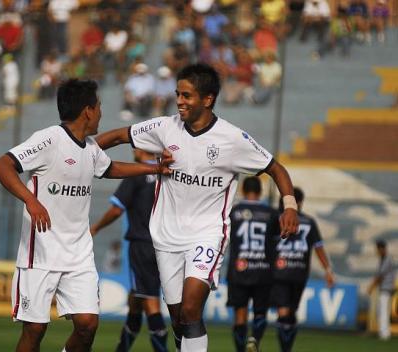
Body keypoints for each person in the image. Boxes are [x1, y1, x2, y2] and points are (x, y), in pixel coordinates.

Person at [95, 63, 299, 352]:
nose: (179, 101)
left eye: (187, 96)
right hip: (165, 238)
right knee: (179, 319)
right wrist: (79, 151)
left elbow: (276, 169)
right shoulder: (165, 127)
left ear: (208, 99)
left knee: (191, 310)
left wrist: (289, 206)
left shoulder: (232, 139)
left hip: (206, 234)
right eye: (178, 94)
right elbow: (118, 136)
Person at [0, 79, 173, 352]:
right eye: (98, 106)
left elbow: (110, 168)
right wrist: (30, 200)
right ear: (88, 110)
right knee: (35, 329)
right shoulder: (49, 139)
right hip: (40, 254)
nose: (101, 111)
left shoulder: (90, 148)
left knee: (87, 324)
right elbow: (2, 165)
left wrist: (154, 169)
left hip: (78, 254)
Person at [91, 149, 168, 352]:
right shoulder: (167, 173)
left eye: (135, 145)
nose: (132, 149)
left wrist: (95, 228)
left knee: (150, 302)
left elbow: (117, 208)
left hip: (143, 245)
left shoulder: (137, 174)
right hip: (166, 246)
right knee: (136, 300)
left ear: (144, 149)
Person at [266, 187, 335, 352]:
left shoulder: (276, 219)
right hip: (299, 273)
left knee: (284, 312)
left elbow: (266, 245)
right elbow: (319, 247)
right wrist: (328, 271)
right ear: (301, 202)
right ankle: (287, 348)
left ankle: (285, 348)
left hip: (280, 272)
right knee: (290, 311)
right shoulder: (309, 222)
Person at [226, 176, 278, 352]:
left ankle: (241, 349)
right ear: (260, 191)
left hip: (239, 270)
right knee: (260, 312)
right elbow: (278, 242)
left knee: (240, 313)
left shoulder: (233, 212)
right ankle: (254, 339)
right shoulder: (271, 214)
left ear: (242, 190)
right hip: (263, 270)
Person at [367, 239, 396, 340]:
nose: (377, 251)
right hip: (384, 288)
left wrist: (371, 287)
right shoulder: (383, 259)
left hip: (386, 289)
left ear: (382, 249)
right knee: (381, 310)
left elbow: (380, 276)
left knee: (383, 311)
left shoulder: (387, 260)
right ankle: (383, 331)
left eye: (378, 249)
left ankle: (384, 333)